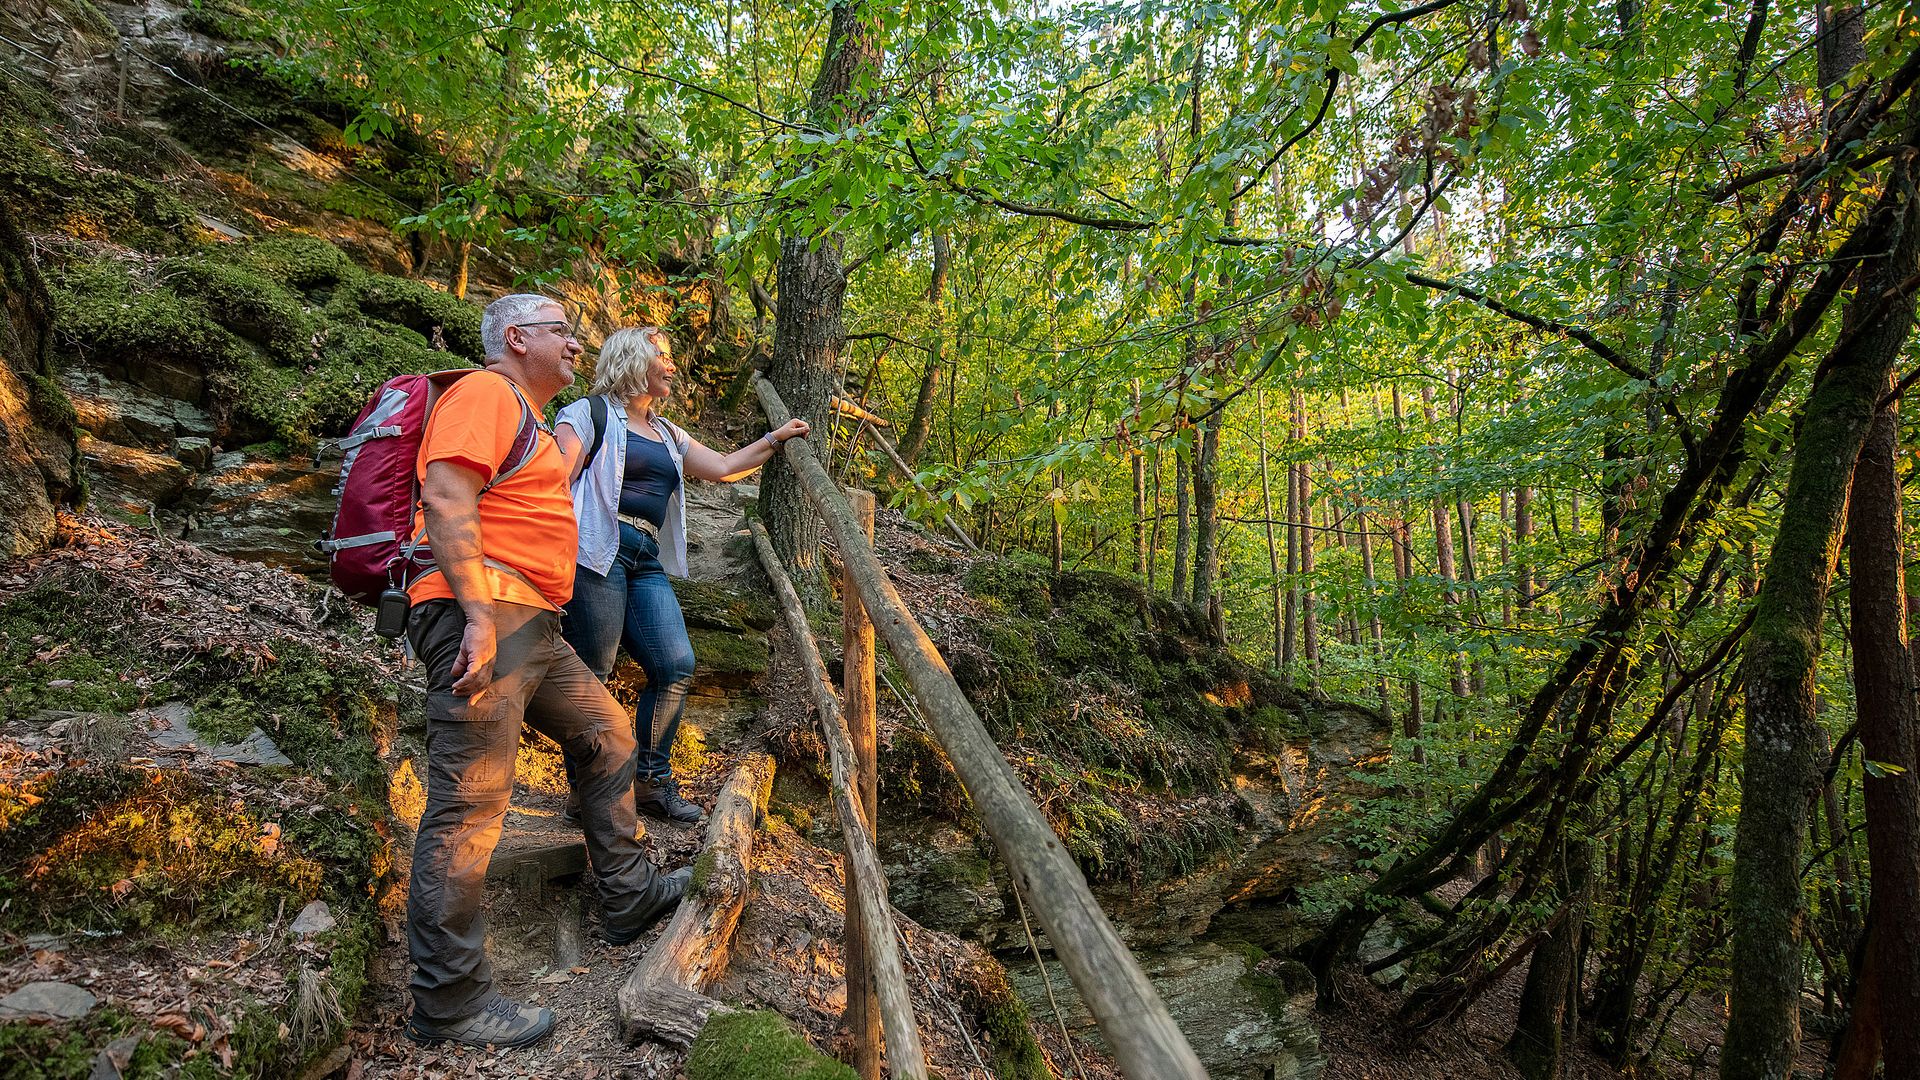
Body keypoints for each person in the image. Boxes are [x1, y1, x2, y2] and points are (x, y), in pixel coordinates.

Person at [401, 295, 689, 1050]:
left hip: (535, 623)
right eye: (562, 330)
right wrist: (472, 613)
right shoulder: (485, 393)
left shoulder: (526, 419)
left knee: (608, 734)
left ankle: (627, 894)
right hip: (485, 610)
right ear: (517, 338)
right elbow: (445, 494)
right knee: (469, 809)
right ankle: (449, 999)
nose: (575, 343)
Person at [554, 326, 809, 825]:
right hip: (594, 551)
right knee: (594, 672)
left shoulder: (668, 433)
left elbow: (722, 466)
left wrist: (776, 439)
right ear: (632, 359)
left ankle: (650, 783)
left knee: (675, 665)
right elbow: (556, 477)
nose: (672, 365)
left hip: (645, 557)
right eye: (663, 356)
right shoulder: (588, 413)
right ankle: (587, 792)